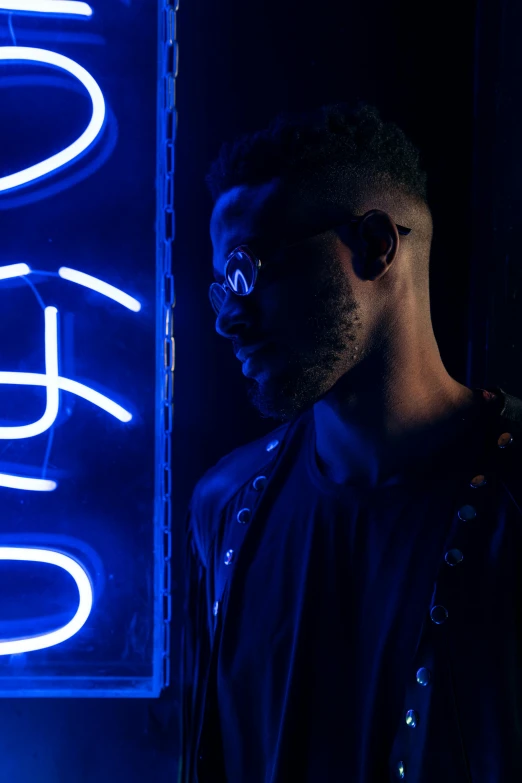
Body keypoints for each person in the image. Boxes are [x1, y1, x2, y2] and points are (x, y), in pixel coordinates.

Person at [179, 101, 522, 783]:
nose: (228, 318)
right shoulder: (223, 510)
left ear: (373, 246)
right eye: (222, 286)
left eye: (248, 269)